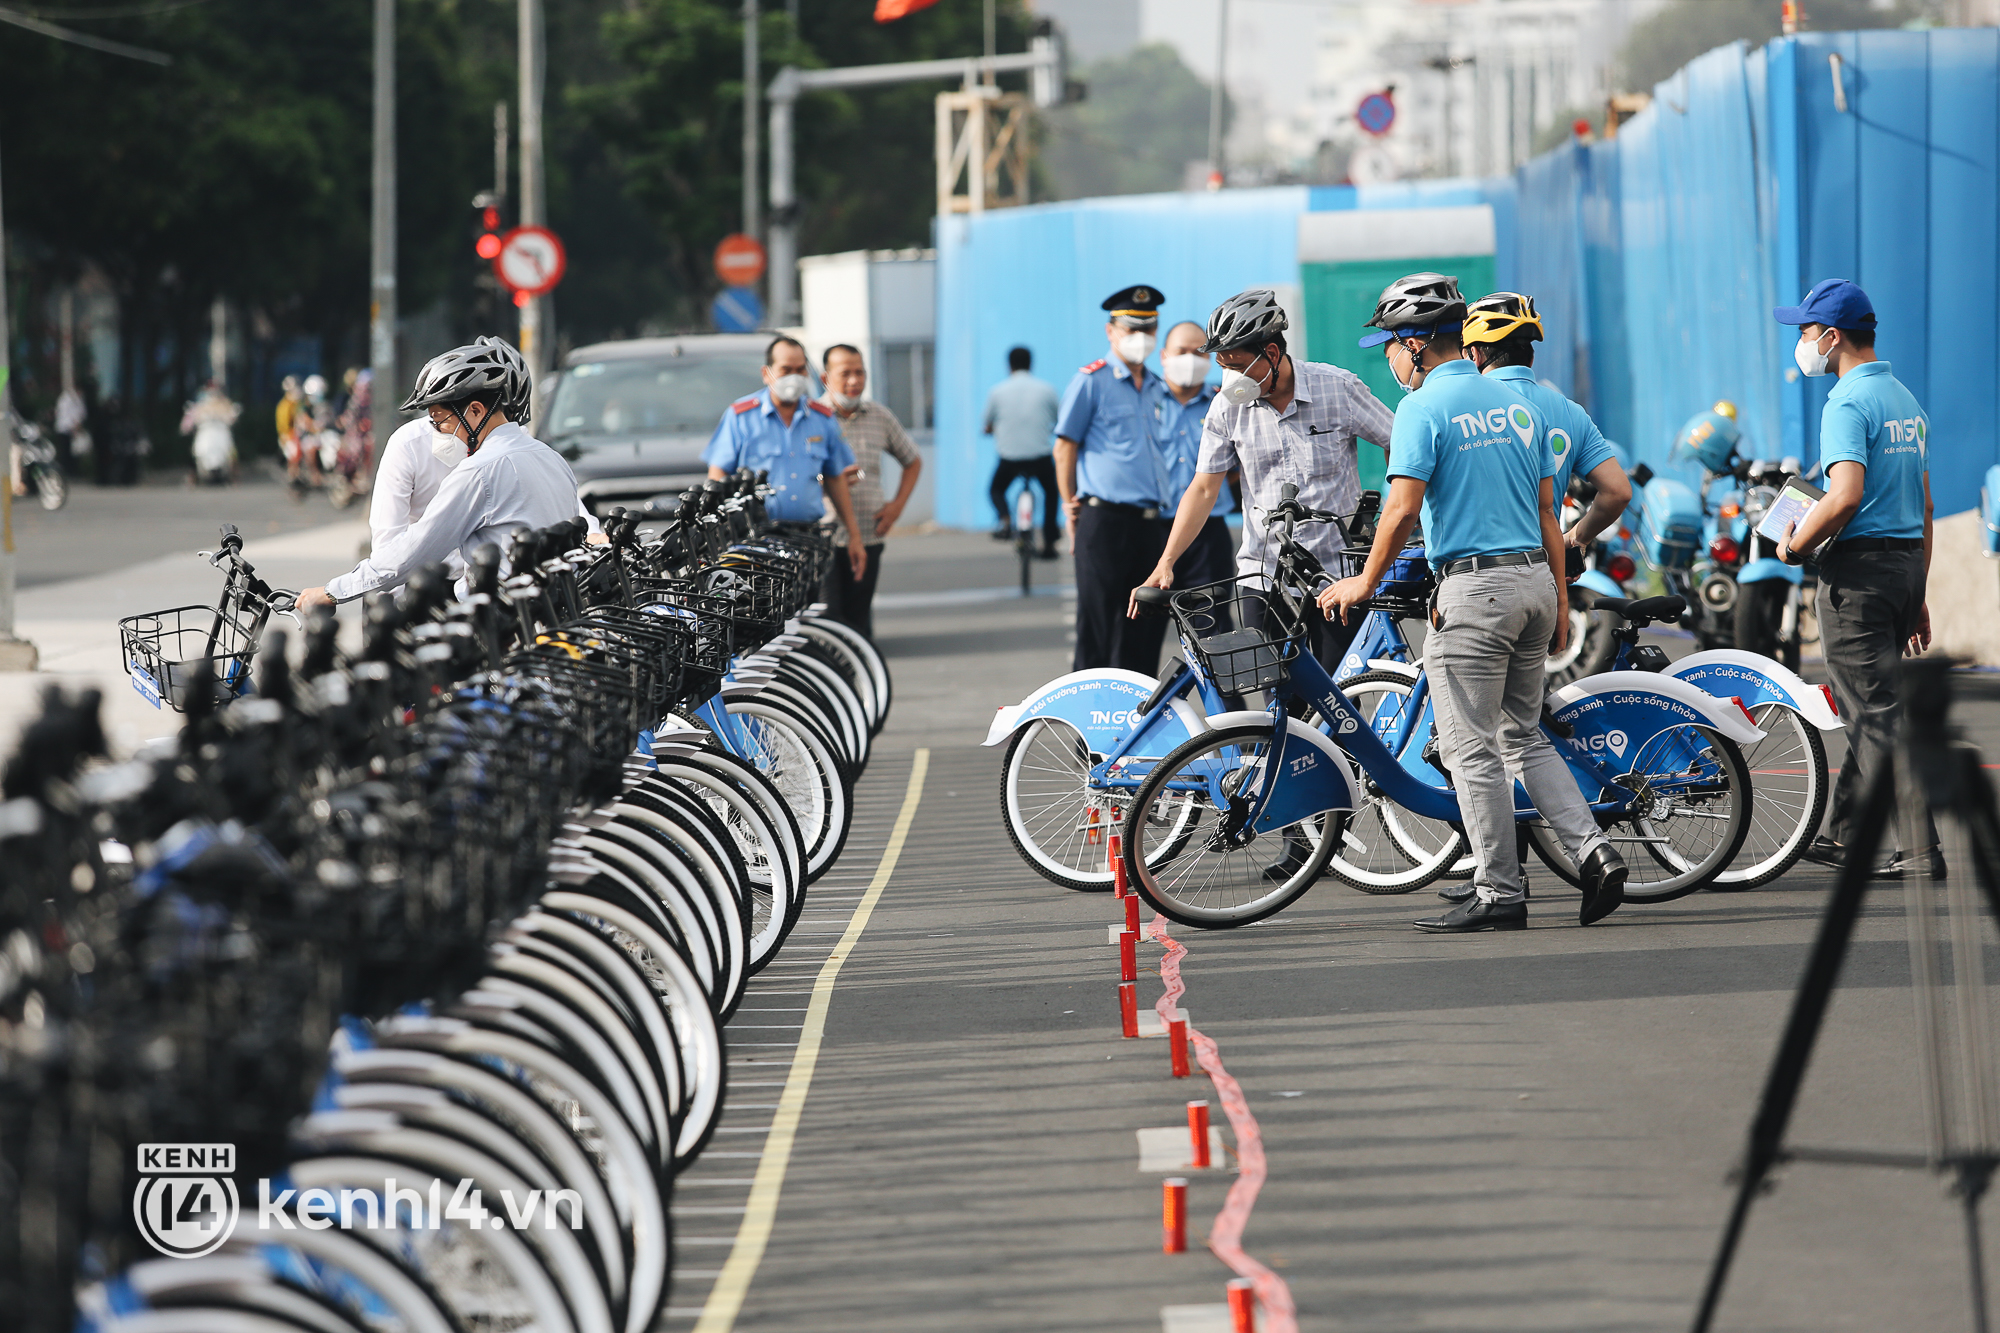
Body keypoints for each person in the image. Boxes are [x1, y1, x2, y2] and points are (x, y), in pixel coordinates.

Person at [1320, 272, 1628, 933]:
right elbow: (1550, 511)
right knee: (1522, 734)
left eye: (1390, 347)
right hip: (1534, 587)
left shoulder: (1421, 410)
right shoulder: (1522, 408)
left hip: (1476, 589)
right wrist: (1561, 600)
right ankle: (1595, 851)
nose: (1390, 360)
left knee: (1469, 747)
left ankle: (1500, 891)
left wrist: (1363, 583)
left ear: (1416, 344)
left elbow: (1401, 508)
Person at [1133, 288, 1394, 675]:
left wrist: (1394, 513)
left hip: (1335, 578)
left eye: (1237, 365)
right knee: (1278, 702)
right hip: (1263, 577)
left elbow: (1397, 441)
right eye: (1222, 365)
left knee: (1338, 701)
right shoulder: (1225, 408)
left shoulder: (1337, 388)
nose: (1229, 378)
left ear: (1271, 354)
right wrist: (1167, 561)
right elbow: (1204, 488)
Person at [1774, 279, 1939, 880]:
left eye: (1804, 331)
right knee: (1866, 701)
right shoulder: (1905, 400)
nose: (1801, 342)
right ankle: (1845, 835)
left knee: (1872, 713)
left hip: (1859, 575)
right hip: (1900, 569)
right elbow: (1922, 507)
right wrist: (1918, 592)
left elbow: (1844, 496)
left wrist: (1795, 541)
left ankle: (1919, 846)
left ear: (1832, 336)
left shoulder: (1846, 403)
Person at [294, 338, 582, 610]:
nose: (437, 432)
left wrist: (334, 591)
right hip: (553, 617)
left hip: (503, 625)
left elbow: (416, 549)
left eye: (439, 420)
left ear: (476, 411)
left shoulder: (480, 471)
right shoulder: (551, 458)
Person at [1056, 284, 1176, 674]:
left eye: (1148, 331)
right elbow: (1064, 446)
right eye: (1131, 331)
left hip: (1150, 523)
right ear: (1111, 332)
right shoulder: (1092, 381)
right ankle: (1083, 733)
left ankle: (1135, 725)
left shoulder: (1157, 387)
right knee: (1099, 629)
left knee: (1144, 629)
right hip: (1104, 521)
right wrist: (1068, 502)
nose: (1140, 339)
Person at [1460, 292, 1632, 551]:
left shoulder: (1459, 407)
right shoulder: (1571, 412)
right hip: (1544, 569)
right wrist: (1576, 538)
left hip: (1474, 572)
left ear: (1474, 355)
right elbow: (1618, 492)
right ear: (1530, 356)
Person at [704, 335, 868, 585]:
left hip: (807, 537)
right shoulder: (741, 416)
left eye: (800, 369)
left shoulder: (822, 418)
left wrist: (854, 536)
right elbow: (717, 476)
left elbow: (835, 478)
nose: (794, 376)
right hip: (753, 538)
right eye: (786, 369)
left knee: (805, 613)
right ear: (767, 373)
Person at [818, 343, 921, 639]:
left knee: (859, 618)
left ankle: (859, 679)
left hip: (868, 532)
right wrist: (826, 480)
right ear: (826, 379)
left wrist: (897, 506)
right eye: (845, 374)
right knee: (828, 619)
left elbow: (912, 461)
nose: (854, 381)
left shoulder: (879, 416)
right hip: (824, 535)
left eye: (859, 373)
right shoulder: (811, 418)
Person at [1149, 321, 1237, 589]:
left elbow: (1238, 466)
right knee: (1145, 622)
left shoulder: (1225, 403)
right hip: (1151, 529)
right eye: (1181, 351)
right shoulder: (1143, 400)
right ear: (1164, 356)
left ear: (1210, 357)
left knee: (1212, 623)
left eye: (1198, 352)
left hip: (1208, 532)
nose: (1190, 359)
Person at [984, 345, 1061, 555]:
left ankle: (1006, 520)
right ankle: (1050, 541)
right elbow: (1060, 422)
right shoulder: (1047, 390)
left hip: (1010, 459)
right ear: (1031, 364)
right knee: (1052, 493)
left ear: (1009, 365)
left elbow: (987, 425)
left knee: (995, 489)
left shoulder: (997, 392)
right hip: (1040, 458)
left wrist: (991, 430)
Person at [180, 381, 241, 485]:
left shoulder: (225, 404)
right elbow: (188, 421)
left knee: (232, 452)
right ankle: (192, 476)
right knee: (195, 451)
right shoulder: (200, 405)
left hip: (222, 434)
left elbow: (233, 416)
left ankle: (234, 476)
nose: (213, 393)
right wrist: (187, 427)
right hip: (205, 434)